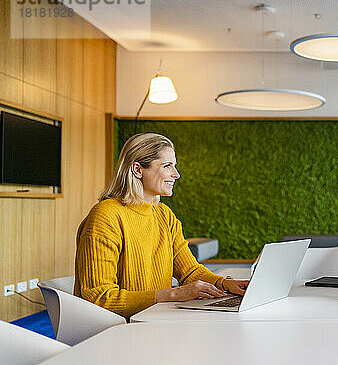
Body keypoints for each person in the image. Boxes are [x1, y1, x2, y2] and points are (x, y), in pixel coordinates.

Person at [74, 133, 248, 318]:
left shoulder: (165, 215)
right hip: (115, 328)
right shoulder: (106, 215)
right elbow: (99, 298)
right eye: (167, 166)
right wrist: (173, 294)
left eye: (175, 166)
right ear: (138, 169)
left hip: (154, 318)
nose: (176, 174)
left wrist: (226, 284)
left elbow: (190, 272)